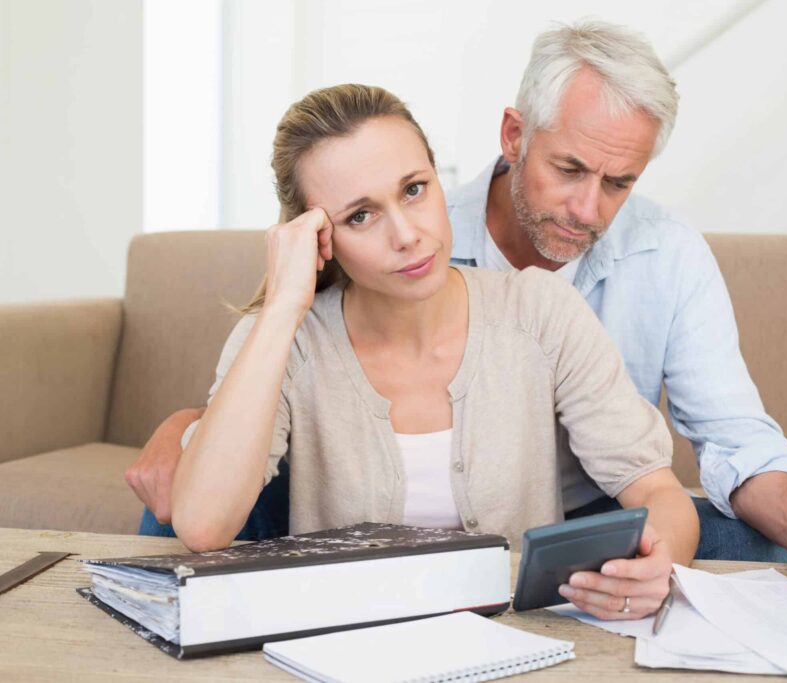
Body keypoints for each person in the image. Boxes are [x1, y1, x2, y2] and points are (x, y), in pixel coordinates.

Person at [128, 21, 787, 568]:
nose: (589, 209)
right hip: (347, 504)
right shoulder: (403, 251)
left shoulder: (601, 281)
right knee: (182, 504)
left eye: (619, 182)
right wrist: (203, 414)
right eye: (569, 170)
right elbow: (245, 455)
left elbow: (712, 443)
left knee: (732, 536)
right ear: (513, 135)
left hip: (571, 516)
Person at [168, 82, 699, 621]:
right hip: (350, 642)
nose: (407, 235)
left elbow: (657, 488)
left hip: (518, 640)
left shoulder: (541, 312)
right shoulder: (285, 340)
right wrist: (283, 307)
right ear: (317, 237)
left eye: (414, 190)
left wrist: (662, 562)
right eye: (360, 216)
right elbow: (202, 525)